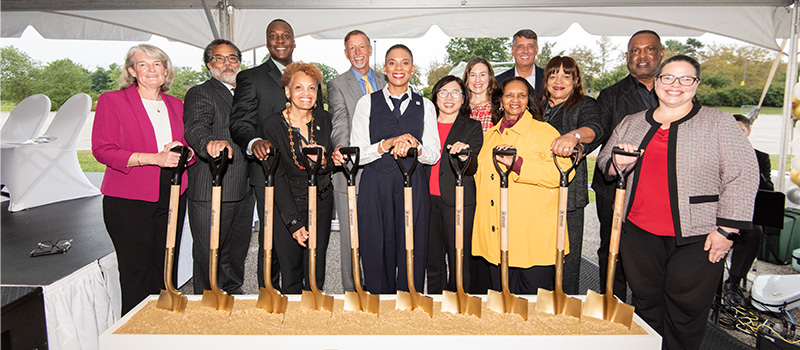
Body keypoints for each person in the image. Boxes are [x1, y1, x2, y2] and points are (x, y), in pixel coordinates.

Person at [597, 55, 759, 350]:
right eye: (668, 77)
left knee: (686, 310)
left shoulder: (718, 123)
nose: (676, 85)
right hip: (639, 233)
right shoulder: (631, 123)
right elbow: (606, 162)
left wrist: (727, 230)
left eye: (686, 79)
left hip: (698, 237)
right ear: (657, 82)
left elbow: (743, 175)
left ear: (696, 85)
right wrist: (616, 163)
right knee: (646, 305)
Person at [92, 44, 190, 315]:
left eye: (157, 64)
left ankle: (159, 328)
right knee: (136, 271)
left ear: (166, 70)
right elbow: (103, 150)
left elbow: (187, 148)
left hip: (172, 192)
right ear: (131, 71)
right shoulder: (112, 101)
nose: (151, 70)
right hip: (128, 196)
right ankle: (134, 332)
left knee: (164, 265)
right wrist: (153, 158)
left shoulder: (176, 104)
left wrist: (186, 152)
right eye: (143, 64)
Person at [228, 19, 323, 291]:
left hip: (307, 176)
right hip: (269, 174)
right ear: (267, 42)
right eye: (273, 36)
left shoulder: (309, 78)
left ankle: (305, 292)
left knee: (306, 237)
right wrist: (255, 140)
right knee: (273, 239)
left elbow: (319, 119)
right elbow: (240, 122)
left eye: (285, 36)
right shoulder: (251, 77)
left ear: (294, 42)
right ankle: (270, 294)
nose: (280, 41)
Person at [348, 44, 441, 294]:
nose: (398, 68)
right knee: (376, 248)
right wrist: (386, 144)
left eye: (404, 63)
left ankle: (410, 303)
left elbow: (433, 155)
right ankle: (379, 307)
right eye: (392, 62)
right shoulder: (366, 103)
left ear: (412, 68)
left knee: (412, 247)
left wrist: (415, 146)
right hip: (375, 186)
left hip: (414, 185)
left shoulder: (426, 106)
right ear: (385, 68)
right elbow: (356, 153)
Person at [472, 77, 571, 294]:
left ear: (529, 101)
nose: (515, 100)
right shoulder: (490, 137)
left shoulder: (544, 132)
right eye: (509, 95)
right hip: (497, 236)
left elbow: (563, 173)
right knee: (502, 307)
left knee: (533, 309)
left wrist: (518, 164)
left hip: (532, 239)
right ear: (500, 100)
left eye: (522, 95)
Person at [592, 30, 664, 301]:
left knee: (651, 253)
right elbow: (596, 131)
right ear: (626, 57)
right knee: (613, 251)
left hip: (658, 189)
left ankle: (649, 313)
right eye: (635, 51)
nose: (642, 56)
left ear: (661, 53)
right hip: (615, 188)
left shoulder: (674, 91)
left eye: (648, 49)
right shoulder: (611, 95)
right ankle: (612, 304)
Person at [183, 39, 253, 295]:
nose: (227, 63)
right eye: (219, 58)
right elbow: (195, 126)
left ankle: (234, 294)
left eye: (232, 58)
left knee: (236, 251)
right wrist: (209, 143)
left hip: (245, 186)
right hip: (213, 184)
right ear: (208, 64)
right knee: (209, 254)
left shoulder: (247, 93)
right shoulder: (201, 92)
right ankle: (207, 303)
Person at [258, 62, 334, 293]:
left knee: (315, 267)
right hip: (286, 203)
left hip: (320, 200)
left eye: (312, 88)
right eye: (299, 88)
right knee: (291, 270)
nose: (306, 94)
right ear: (287, 92)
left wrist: (324, 163)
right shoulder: (272, 125)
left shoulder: (324, 120)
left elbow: (330, 162)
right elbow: (276, 176)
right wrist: (293, 222)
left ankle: (314, 314)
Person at [327, 30, 388, 292]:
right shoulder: (337, 84)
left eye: (362, 47)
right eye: (352, 48)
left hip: (385, 168)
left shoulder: (388, 80)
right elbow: (339, 120)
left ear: (370, 49)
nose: (358, 53)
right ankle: (353, 290)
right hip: (352, 170)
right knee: (352, 236)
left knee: (382, 231)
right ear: (346, 53)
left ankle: (381, 287)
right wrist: (341, 147)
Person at [540, 56, 605, 295]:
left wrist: (573, 137)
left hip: (568, 196)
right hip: (536, 196)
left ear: (575, 80)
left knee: (566, 258)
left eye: (566, 76)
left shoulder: (584, 105)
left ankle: (564, 308)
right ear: (545, 80)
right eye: (553, 75)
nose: (559, 81)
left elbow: (595, 129)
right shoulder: (538, 108)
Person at [424, 76, 483, 294]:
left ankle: (459, 303)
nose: (449, 98)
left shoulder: (472, 127)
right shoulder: (424, 125)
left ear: (463, 98)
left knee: (459, 257)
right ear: (435, 97)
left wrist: (465, 155)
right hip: (427, 200)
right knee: (433, 260)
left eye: (455, 93)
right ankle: (436, 303)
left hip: (458, 201)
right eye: (443, 92)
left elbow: (473, 166)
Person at [724, 113, 773, 306]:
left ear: (748, 132)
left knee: (754, 232)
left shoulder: (760, 157)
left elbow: (768, 190)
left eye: (740, 131)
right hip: (713, 215)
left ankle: (733, 283)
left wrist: (751, 165)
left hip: (742, 214)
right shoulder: (715, 154)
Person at [494, 29, 544, 96]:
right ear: (512, 51)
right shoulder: (498, 82)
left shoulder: (548, 79)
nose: (525, 51)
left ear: (536, 50)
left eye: (530, 46)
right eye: (520, 46)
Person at [462, 57, 498, 132]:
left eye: (482, 75)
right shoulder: (460, 107)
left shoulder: (499, 106)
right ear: (467, 78)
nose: (477, 80)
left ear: (489, 77)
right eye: (472, 75)